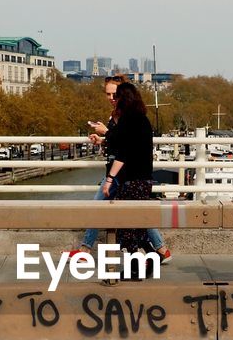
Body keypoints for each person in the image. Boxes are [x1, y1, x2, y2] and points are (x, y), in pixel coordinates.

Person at [71, 75, 170, 260]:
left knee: (101, 207)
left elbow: (124, 145)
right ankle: (160, 249)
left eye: (114, 94)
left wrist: (106, 133)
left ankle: (86, 250)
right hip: (120, 170)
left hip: (122, 172)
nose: (111, 98)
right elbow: (118, 142)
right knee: (136, 211)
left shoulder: (126, 115)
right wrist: (102, 140)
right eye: (107, 94)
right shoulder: (122, 114)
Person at [104, 81, 157, 264]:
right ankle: (151, 256)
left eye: (116, 97)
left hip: (131, 180)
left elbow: (123, 153)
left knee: (126, 227)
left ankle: (135, 267)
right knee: (138, 226)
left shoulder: (128, 119)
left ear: (122, 99)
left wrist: (110, 179)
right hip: (145, 180)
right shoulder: (143, 119)